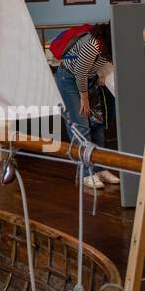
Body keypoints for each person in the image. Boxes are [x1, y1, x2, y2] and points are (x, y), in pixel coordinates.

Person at [55, 22, 117, 192]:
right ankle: (86, 172)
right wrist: (84, 98)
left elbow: (95, 68)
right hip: (69, 81)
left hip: (87, 81)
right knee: (81, 125)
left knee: (97, 124)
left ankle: (100, 168)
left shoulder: (107, 45)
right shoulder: (93, 44)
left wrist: (102, 75)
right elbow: (80, 72)